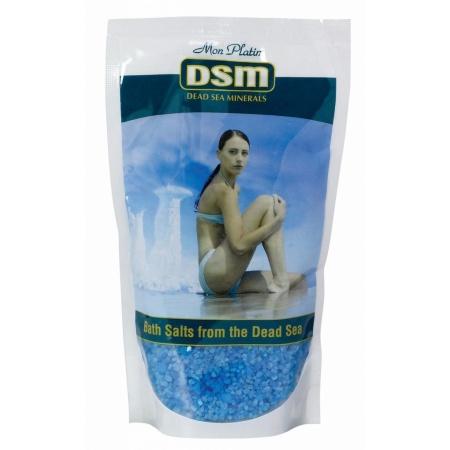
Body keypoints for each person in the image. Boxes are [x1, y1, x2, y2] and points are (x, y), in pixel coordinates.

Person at [195, 129, 304, 296]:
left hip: (226, 274)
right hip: (214, 272)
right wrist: (277, 222)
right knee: (267, 202)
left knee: (299, 281)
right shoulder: (223, 190)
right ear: (219, 155)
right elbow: (239, 246)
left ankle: (280, 282)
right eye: (232, 152)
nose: (239, 158)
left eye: (244, 153)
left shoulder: (233, 188)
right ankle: (280, 281)